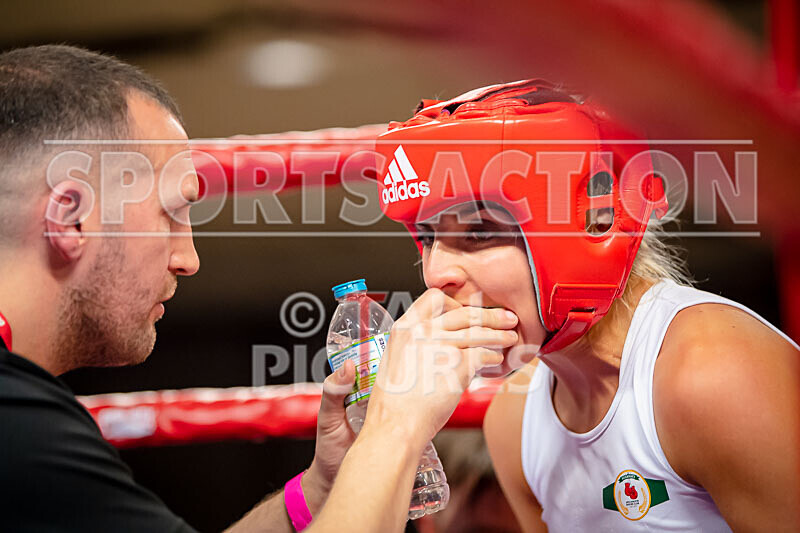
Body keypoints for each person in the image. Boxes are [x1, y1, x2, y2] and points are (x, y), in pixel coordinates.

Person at [0, 45, 518, 532]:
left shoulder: (30, 425)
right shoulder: (18, 429)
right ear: (70, 220)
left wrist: (323, 486)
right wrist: (396, 420)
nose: (189, 260)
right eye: (173, 213)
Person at [375, 79, 800, 531]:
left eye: (479, 231)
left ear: (592, 226)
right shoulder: (513, 423)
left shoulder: (712, 373)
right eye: (428, 236)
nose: (436, 272)